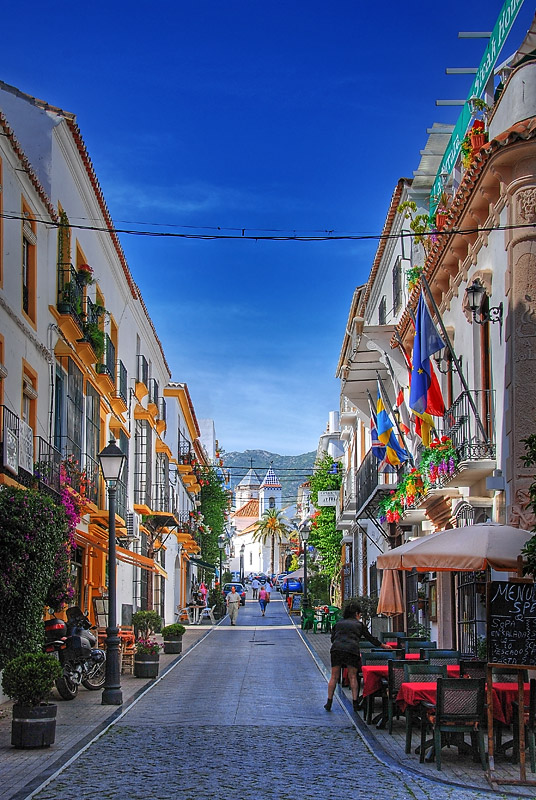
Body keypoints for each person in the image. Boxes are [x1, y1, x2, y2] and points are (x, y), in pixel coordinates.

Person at [324, 600, 392, 713]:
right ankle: (355, 703)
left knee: (334, 677)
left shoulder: (338, 624)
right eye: (359, 614)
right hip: (352, 650)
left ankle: (329, 702)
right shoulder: (359, 625)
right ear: (356, 614)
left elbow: (333, 638)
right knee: (353, 677)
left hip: (336, 650)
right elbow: (370, 638)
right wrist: (383, 646)